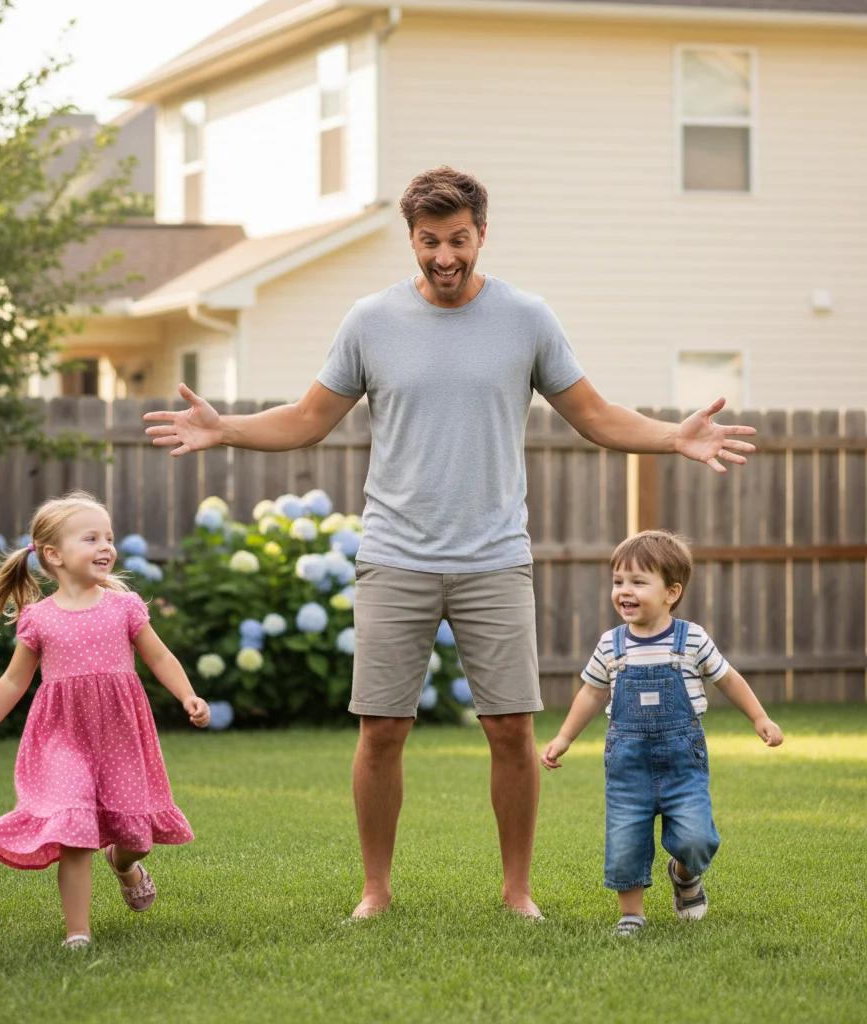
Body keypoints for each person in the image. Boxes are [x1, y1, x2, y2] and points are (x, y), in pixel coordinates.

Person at [142, 166, 757, 921]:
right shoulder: (370, 321)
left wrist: (672, 436)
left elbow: (594, 415)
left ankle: (517, 891)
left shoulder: (526, 318)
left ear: (481, 235)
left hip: (494, 556)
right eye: (429, 241)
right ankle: (375, 890)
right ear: (411, 238)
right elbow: (307, 419)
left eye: (457, 240)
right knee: (381, 731)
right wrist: (226, 427)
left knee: (510, 729)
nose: (443, 256)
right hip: (395, 554)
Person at [0, 491, 210, 949]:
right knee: (73, 829)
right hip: (61, 738)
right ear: (54, 555)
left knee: (135, 834)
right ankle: (78, 933)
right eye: (91, 538)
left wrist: (188, 695)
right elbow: (13, 682)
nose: (106, 546)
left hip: (121, 736)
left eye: (109, 537)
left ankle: (124, 864)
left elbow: (160, 656)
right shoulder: (38, 619)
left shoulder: (123, 607)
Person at [541, 530, 783, 935]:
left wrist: (759, 718)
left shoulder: (692, 640)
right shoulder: (610, 645)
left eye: (638, 582)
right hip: (627, 765)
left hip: (681, 763)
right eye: (618, 581)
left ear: (672, 592)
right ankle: (631, 914)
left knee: (697, 838)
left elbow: (728, 679)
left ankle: (685, 874)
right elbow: (590, 693)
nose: (624, 591)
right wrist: (565, 737)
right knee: (625, 838)